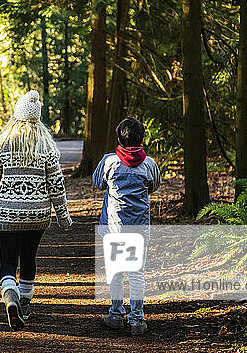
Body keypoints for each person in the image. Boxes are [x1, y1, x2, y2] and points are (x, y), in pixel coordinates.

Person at [0, 90, 72, 330]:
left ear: (17, 116)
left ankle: (9, 294)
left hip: (6, 213)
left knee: (8, 259)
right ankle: (24, 303)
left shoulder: (1, 144)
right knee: (29, 257)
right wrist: (63, 216)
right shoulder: (47, 146)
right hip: (38, 214)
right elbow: (56, 185)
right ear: (37, 118)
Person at [92, 117, 161, 336]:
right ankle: (137, 319)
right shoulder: (149, 163)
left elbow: (98, 183)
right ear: (141, 139)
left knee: (116, 271)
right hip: (139, 228)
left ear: (119, 138)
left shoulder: (109, 161)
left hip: (114, 226)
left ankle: (115, 314)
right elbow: (154, 186)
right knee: (137, 273)